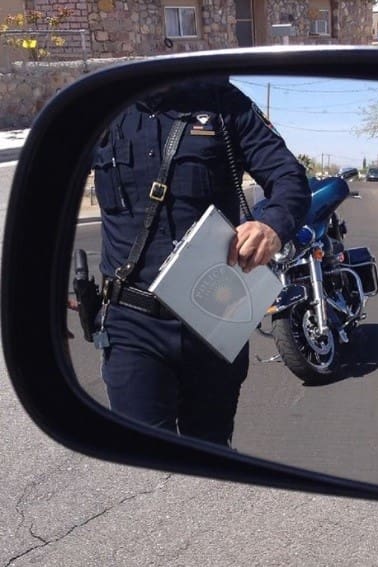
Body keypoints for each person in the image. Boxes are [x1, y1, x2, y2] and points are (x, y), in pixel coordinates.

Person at [89, 77, 311, 447]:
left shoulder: (224, 104)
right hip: (131, 323)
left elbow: (289, 177)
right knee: (142, 459)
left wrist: (272, 225)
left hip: (214, 313)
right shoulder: (99, 109)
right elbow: (52, 198)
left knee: (209, 453)